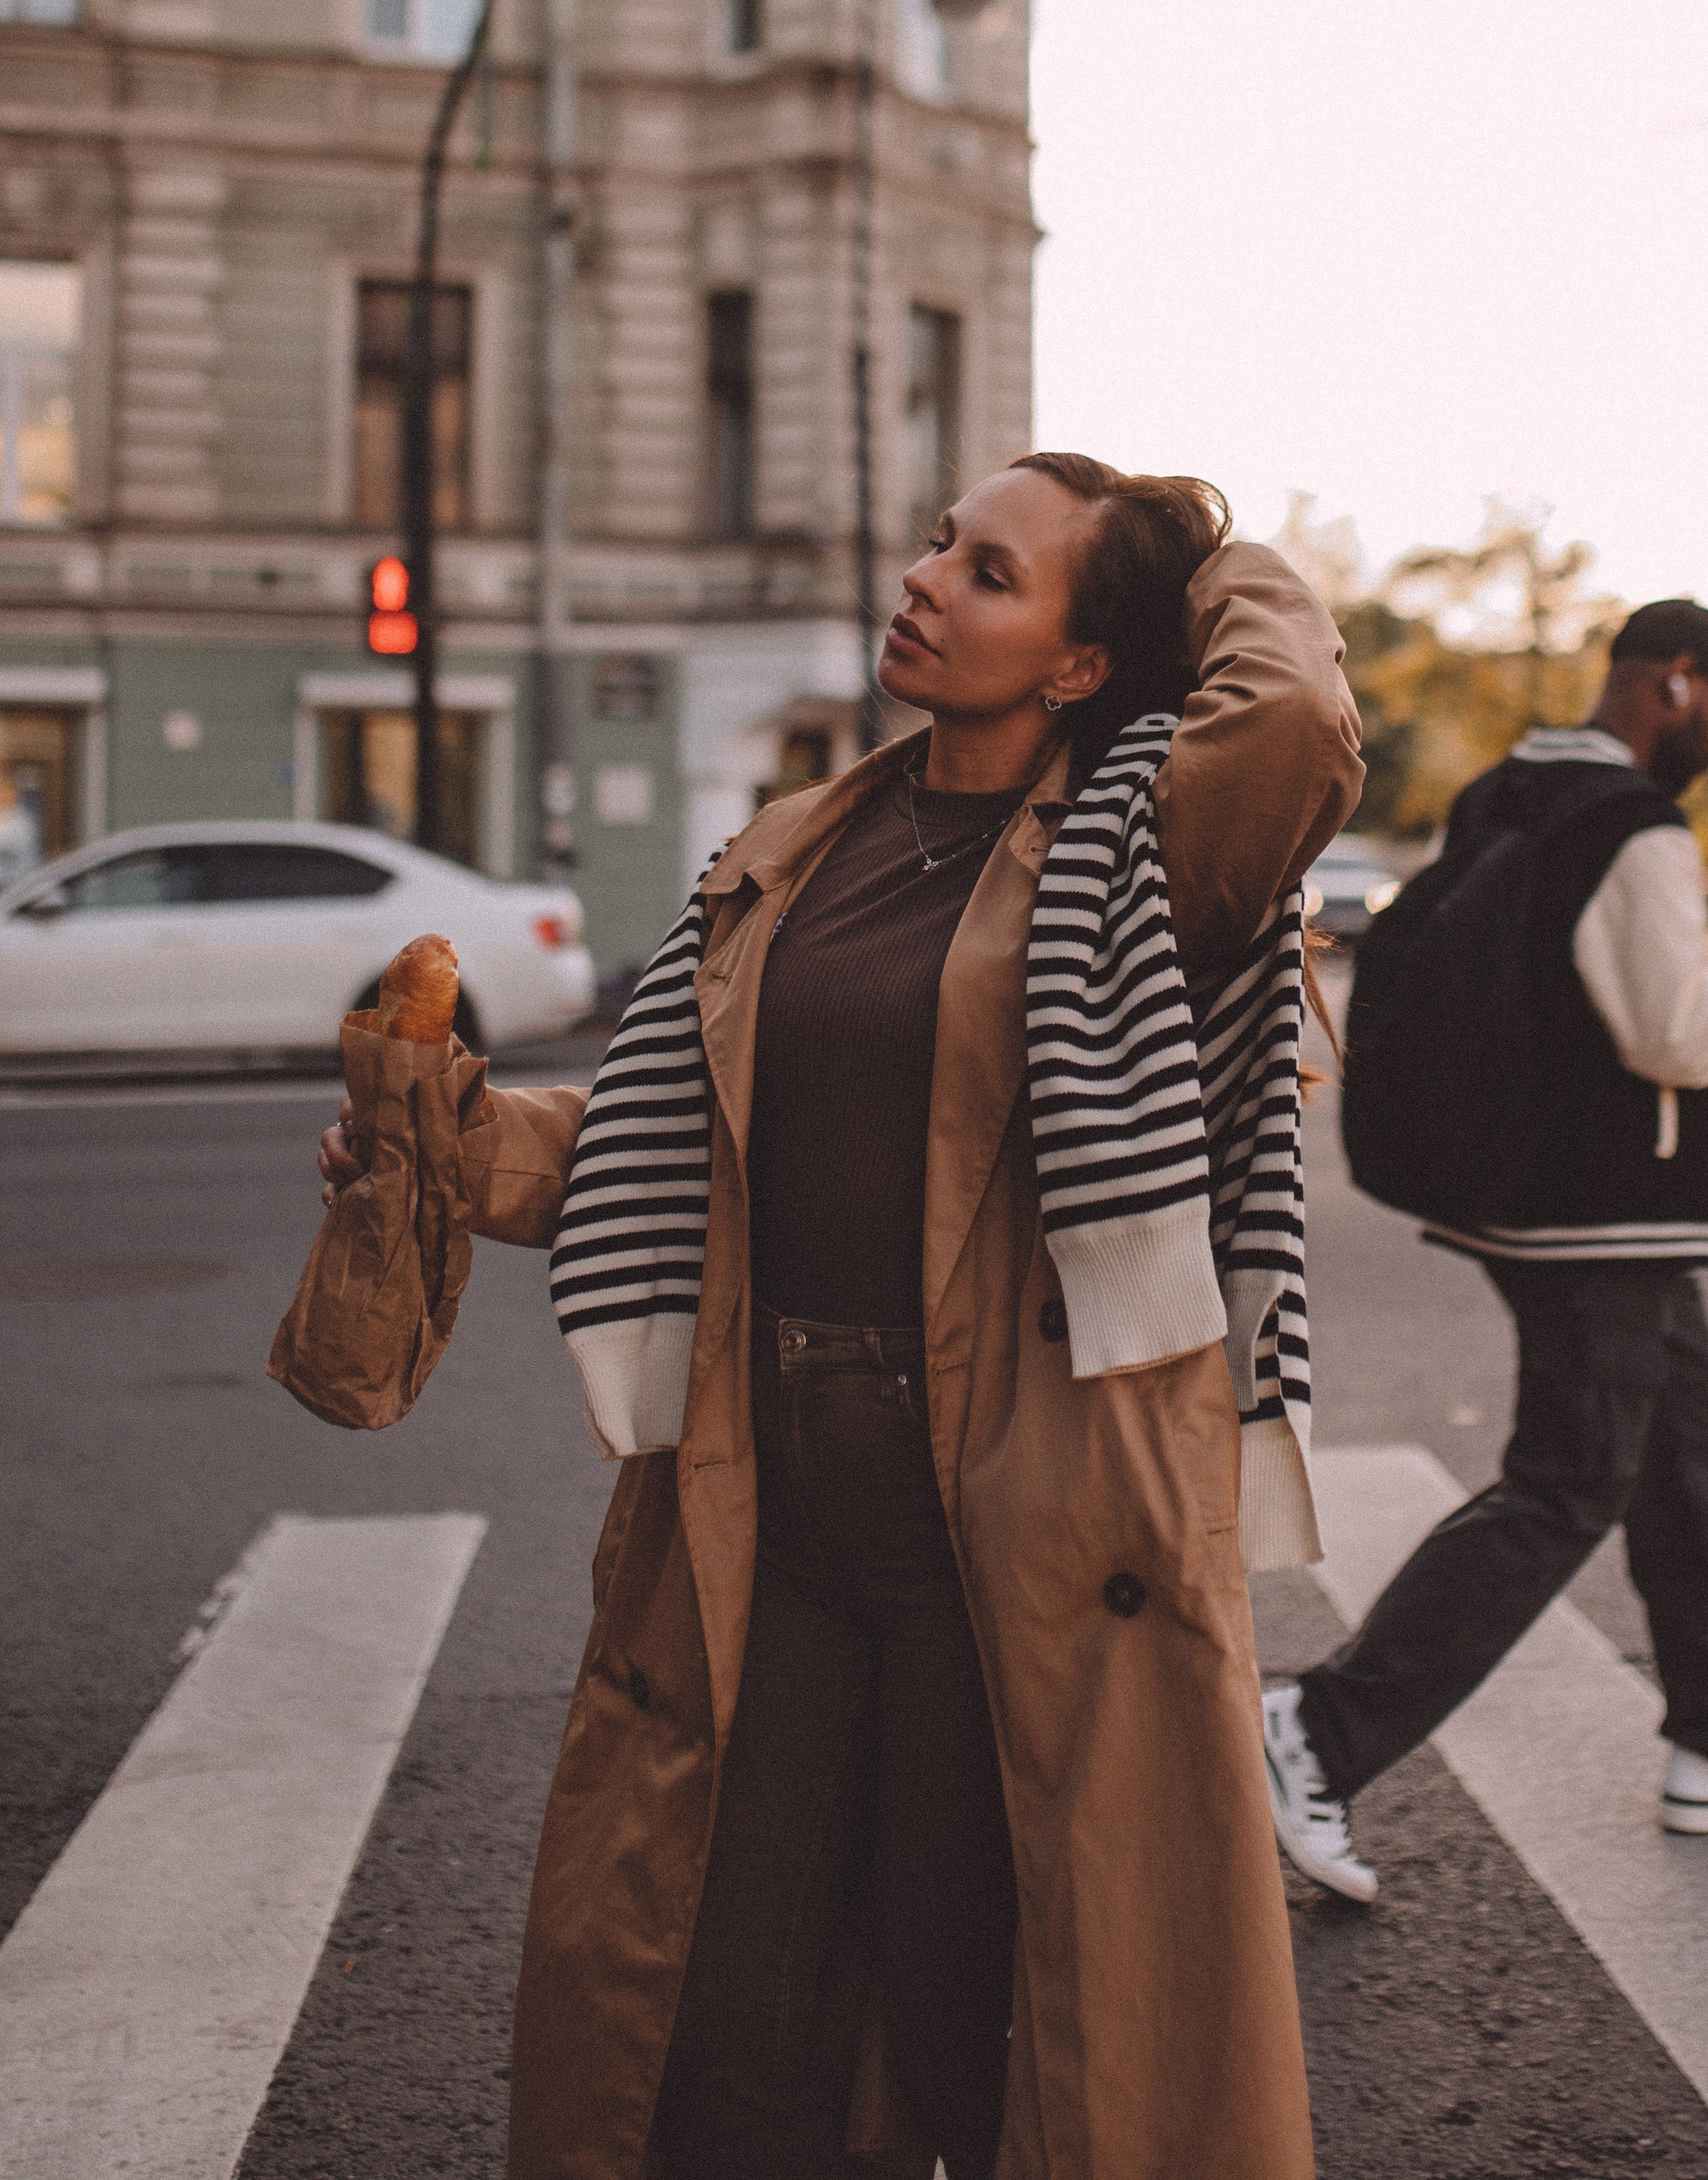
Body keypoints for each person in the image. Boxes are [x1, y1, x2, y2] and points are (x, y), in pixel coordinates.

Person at [315, 454, 1363, 2180]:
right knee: (729, 2021)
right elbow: (665, 1146)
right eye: (941, 541)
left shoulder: (1138, 849)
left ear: (1082, 662)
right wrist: (437, 1135)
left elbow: (1299, 727)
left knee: (986, 2029)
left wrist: (1207, 555)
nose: (928, 577)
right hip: (772, 1507)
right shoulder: (798, 847)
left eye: (994, 573)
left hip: (1008, 1525)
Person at [1262, 599, 1708, 1906]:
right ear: (1676, 683)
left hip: (1535, 1194)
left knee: (1688, 1462)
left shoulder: (1506, 790)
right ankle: (1321, 1732)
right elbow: (1677, 1036)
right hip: (1603, 1210)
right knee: (1572, 1483)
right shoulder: (1634, 824)